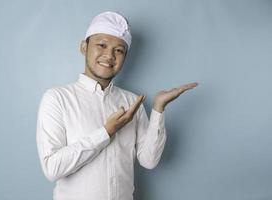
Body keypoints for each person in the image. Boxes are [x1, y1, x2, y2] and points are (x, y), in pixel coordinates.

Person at [36, 11, 198, 200]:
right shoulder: (58, 98)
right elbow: (52, 168)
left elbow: (149, 160)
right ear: (83, 47)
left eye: (119, 50)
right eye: (102, 45)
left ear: (125, 57)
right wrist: (106, 132)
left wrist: (158, 109)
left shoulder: (132, 101)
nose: (109, 55)